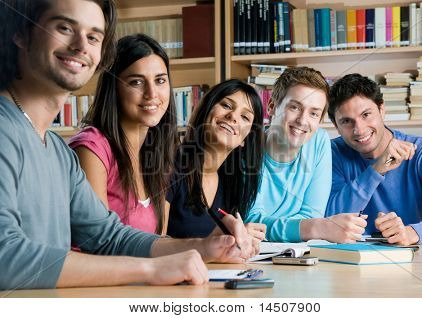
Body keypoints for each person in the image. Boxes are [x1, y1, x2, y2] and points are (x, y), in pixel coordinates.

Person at [0, 0, 253, 291]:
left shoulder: (57, 151)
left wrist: (206, 247)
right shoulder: (6, 129)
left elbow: (109, 237)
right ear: (20, 33)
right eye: (64, 28)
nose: (82, 45)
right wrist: (150, 268)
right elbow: (5, 256)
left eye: (94, 37)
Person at [69, 34, 178, 235]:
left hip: (144, 267)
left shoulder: (156, 154)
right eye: (136, 82)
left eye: (160, 80)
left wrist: (212, 242)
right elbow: (101, 242)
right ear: (114, 88)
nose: (152, 94)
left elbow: (157, 242)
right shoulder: (92, 149)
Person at [245, 67, 368, 243]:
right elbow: (252, 222)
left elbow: (312, 214)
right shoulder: (247, 144)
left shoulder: (318, 141)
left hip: (298, 252)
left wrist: (311, 226)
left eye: (314, 113)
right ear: (272, 106)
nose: (303, 121)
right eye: (294, 107)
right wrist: (319, 227)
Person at [325, 73, 422, 245]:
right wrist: (376, 170)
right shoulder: (330, 154)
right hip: (351, 261)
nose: (359, 130)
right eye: (347, 121)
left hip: (418, 259)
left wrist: (410, 233)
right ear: (336, 127)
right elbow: (330, 220)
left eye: (366, 114)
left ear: (382, 110)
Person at [166, 79, 267, 250]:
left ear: (245, 139)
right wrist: (214, 242)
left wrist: (235, 239)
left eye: (244, 117)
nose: (233, 117)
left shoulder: (232, 183)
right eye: (227, 105)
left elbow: (215, 248)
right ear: (206, 111)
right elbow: (152, 242)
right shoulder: (169, 166)